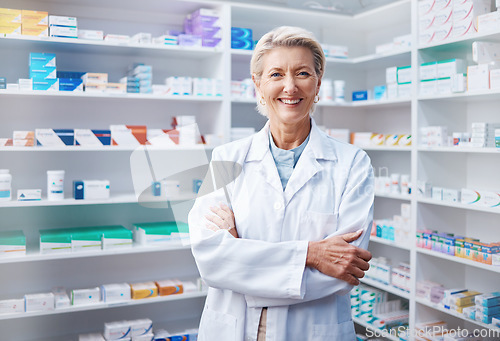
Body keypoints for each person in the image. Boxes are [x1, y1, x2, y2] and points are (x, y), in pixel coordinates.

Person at [188, 26, 374, 341]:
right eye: (276, 75)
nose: (290, 86)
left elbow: (344, 271)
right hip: (233, 329)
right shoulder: (226, 157)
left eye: (302, 73)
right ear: (258, 85)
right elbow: (211, 260)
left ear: (318, 85)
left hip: (311, 330)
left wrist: (240, 252)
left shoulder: (353, 164)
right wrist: (311, 254)